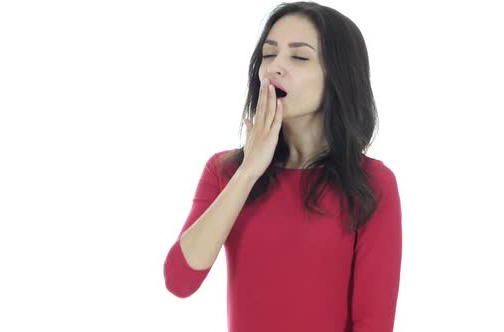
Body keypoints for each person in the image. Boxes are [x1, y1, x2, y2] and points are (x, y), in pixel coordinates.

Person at [163, 2, 402, 332]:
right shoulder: (226, 171)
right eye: (268, 54)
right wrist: (248, 171)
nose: (274, 68)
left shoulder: (372, 182)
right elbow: (180, 281)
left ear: (338, 76)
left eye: (299, 57)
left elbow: (374, 323)